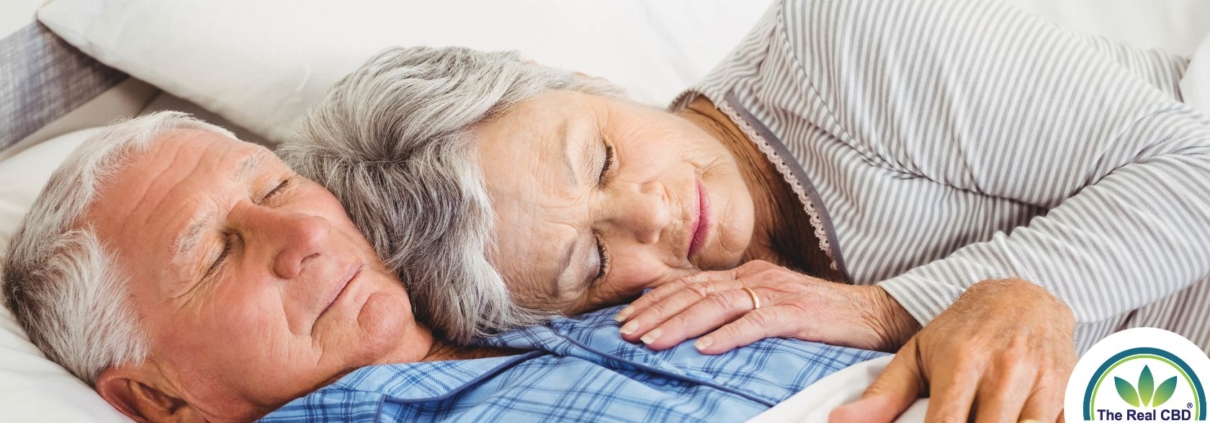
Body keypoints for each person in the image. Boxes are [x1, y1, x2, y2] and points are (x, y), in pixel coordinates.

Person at [279, 0, 1210, 421]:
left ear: (594, 84)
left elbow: (1195, 172)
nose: (645, 214)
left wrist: (890, 308)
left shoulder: (845, 42)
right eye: (592, 264)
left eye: (600, 154)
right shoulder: (693, 342)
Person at [1, 112, 896, 422]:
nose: (303, 238)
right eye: (216, 252)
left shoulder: (542, 286)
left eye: (276, 187)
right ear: (157, 400)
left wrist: (974, 311)